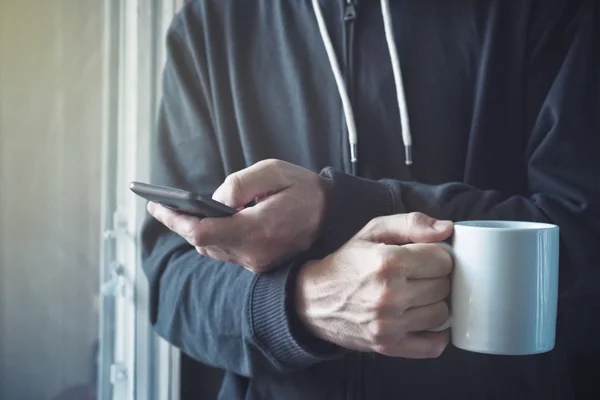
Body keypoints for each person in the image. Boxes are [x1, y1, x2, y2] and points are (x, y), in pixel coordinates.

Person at [141, 0, 600, 399]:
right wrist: (300, 306)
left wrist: (334, 210)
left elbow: (583, 230)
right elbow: (171, 281)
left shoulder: (550, 11)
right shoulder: (209, 24)